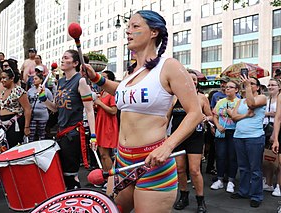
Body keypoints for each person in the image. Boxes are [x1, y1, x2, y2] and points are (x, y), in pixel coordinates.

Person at [82, 10, 203, 213]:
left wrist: (168, 146)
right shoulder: (131, 73)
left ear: (154, 32)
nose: (128, 31)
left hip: (153, 163)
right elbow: (121, 91)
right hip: (122, 159)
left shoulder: (169, 66)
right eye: (128, 27)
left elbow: (195, 113)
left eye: (135, 26)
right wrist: (97, 79)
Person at [42, 50, 96, 190]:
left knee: (70, 174)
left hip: (73, 133)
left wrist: (93, 136)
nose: (62, 60)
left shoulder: (81, 81)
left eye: (66, 58)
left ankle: (75, 199)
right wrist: (44, 99)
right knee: (62, 172)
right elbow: (55, 108)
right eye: (62, 57)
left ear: (75, 63)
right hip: (61, 132)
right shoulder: (60, 82)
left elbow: (89, 110)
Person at [171, 69, 212, 212]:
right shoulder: (175, 98)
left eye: (194, 79)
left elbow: (211, 115)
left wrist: (207, 118)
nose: (192, 81)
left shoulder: (201, 98)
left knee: (194, 170)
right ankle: (184, 197)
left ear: (197, 82)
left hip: (195, 137)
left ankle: (201, 200)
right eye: (189, 79)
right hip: (177, 138)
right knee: (180, 169)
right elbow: (165, 118)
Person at [228, 76, 266, 208]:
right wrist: (245, 115)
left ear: (258, 87)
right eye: (247, 83)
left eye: (252, 84)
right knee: (243, 167)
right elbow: (233, 117)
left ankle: (256, 195)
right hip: (239, 136)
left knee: (255, 168)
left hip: (254, 137)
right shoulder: (240, 101)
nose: (248, 85)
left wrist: (247, 86)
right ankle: (244, 191)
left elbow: (252, 104)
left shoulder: (262, 98)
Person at [0, 67, 31, 148]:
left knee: (14, 147)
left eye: (4, 78)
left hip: (15, 122)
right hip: (2, 122)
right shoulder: (3, 92)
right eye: (1, 78)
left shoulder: (18, 91)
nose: (2, 80)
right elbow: (1, 106)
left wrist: (26, 127)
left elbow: (27, 109)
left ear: (12, 79)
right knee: (4, 147)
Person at [210, 80, 240, 193]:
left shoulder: (240, 102)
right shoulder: (220, 102)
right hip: (221, 132)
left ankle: (231, 181)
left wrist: (231, 113)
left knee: (232, 156)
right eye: (226, 87)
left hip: (234, 132)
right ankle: (220, 179)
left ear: (236, 90)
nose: (227, 89)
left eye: (230, 87)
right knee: (220, 155)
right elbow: (215, 116)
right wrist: (217, 126)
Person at [94, 70, 118, 176]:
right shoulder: (102, 93)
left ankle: (110, 178)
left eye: (104, 77)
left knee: (105, 154)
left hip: (107, 125)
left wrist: (99, 103)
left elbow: (114, 111)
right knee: (102, 153)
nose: (101, 79)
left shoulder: (112, 93)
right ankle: (105, 177)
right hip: (100, 123)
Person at [262, 78, 280, 193]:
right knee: (268, 158)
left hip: (276, 129)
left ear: (279, 87)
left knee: (279, 161)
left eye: (273, 85)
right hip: (265, 129)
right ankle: (268, 183)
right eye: (269, 85)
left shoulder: (279, 98)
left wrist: (275, 134)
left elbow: (278, 116)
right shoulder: (267, 99)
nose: (270, 87)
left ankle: (278, 185)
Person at [27, 73, 53, 142]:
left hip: (43, 115)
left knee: (41, 133)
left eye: (36, 79)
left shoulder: (47, 91)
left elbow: (51, 101)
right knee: (31, 134)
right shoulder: (30, 91)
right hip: (33, 115)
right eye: (33, 79)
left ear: (41, 80)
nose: (34, 80)